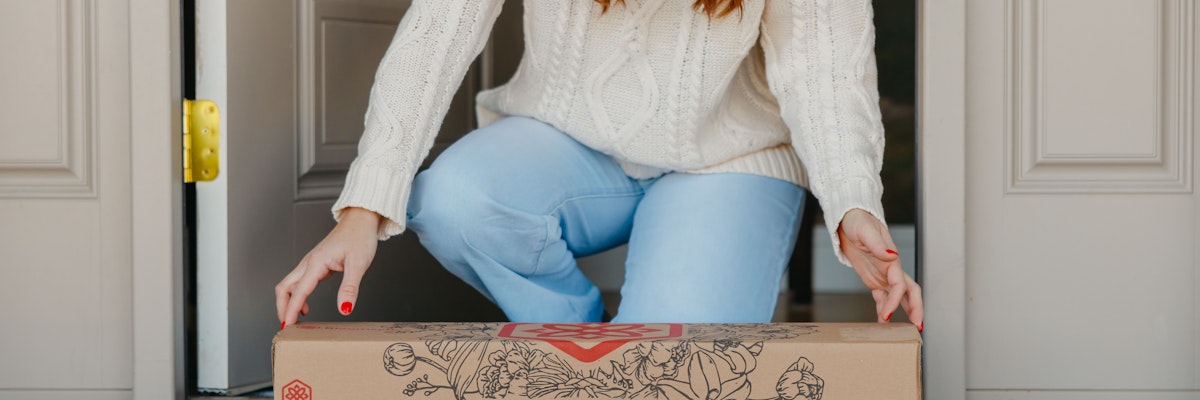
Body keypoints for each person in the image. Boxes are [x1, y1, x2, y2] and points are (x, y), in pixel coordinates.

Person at [275, 0, 923, 329]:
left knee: (668, 366)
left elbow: (825, 69)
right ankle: (576, 345)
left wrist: (852, 202)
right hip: (568, 141)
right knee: (453, 200)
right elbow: (439, 30)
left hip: (732, 158)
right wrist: (364, 207)